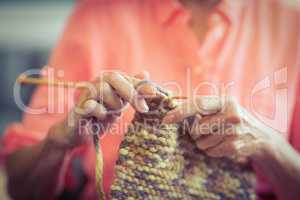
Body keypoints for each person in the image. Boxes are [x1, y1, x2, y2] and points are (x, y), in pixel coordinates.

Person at [1, 0, 300, 199]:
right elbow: (21, 189)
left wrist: (267, 144)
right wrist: (59, 141)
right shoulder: (99, 14)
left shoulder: (291, 24)